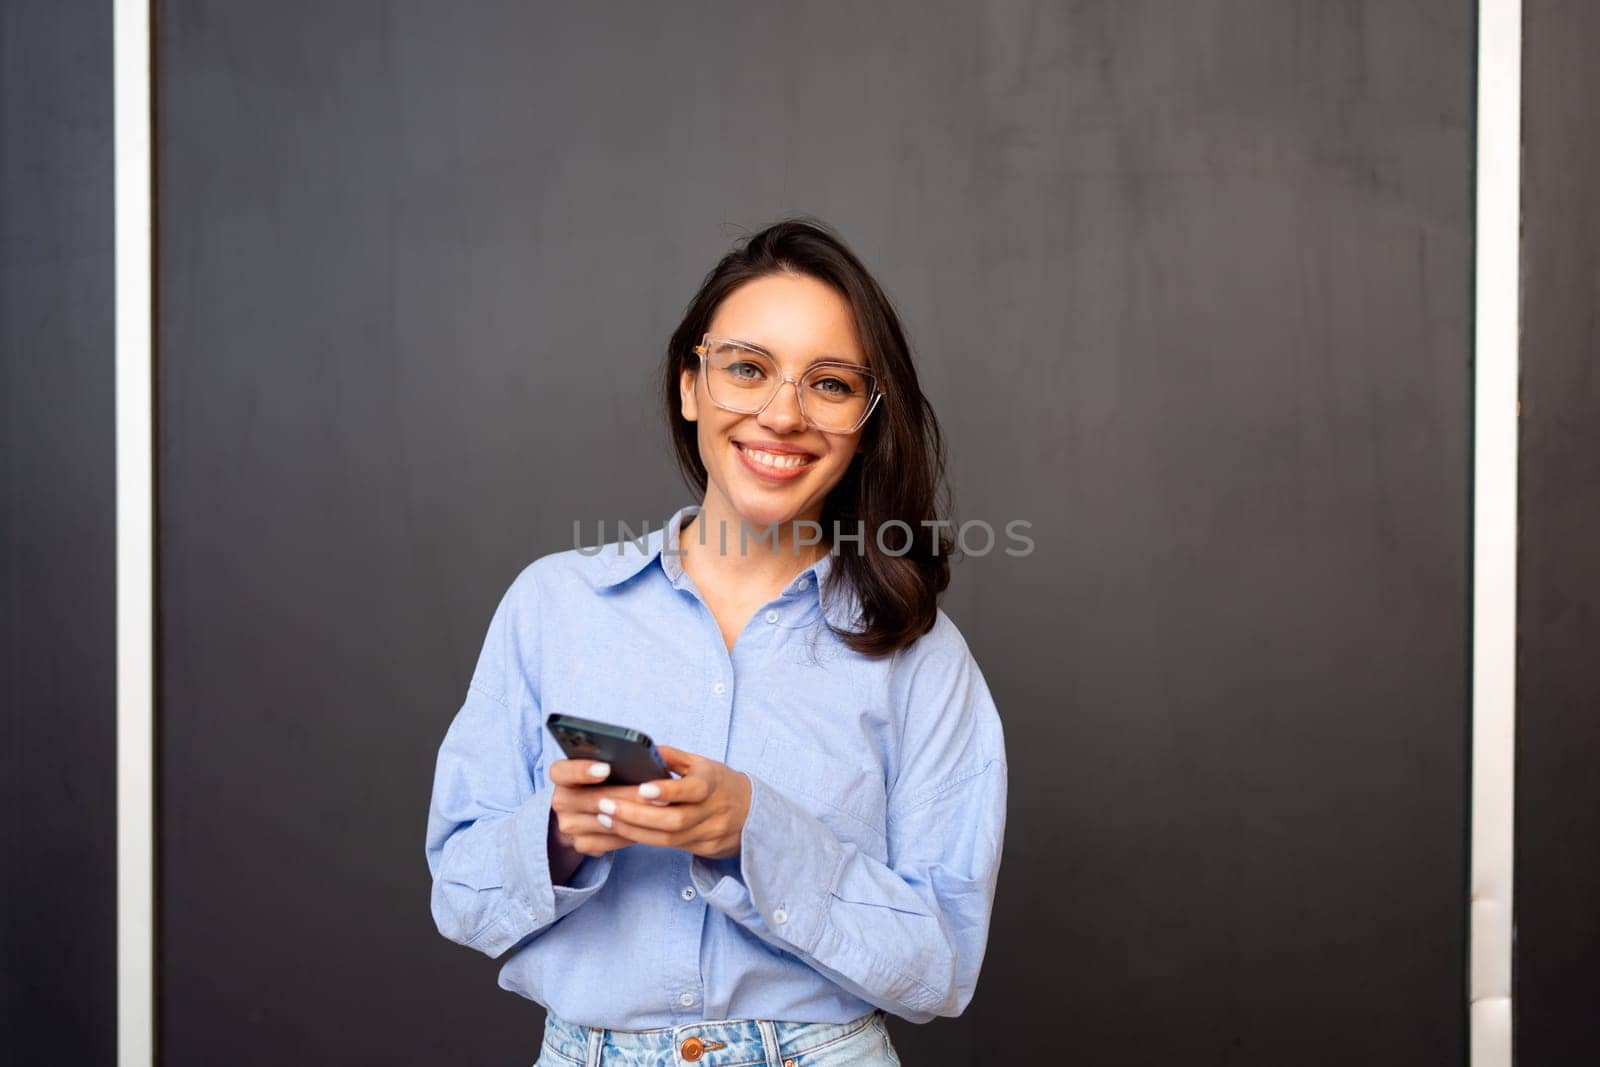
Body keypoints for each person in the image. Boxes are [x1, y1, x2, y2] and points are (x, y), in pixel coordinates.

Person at [425, 218, 1008, 1067]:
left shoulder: (922, 654)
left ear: (867, 418)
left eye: (831, 383)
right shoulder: (552, 605)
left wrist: (754, 832)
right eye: (747, 368)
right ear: (691, 384)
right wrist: (559, 834)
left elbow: (940, 966)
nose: (783, 414)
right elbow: (459, 895)